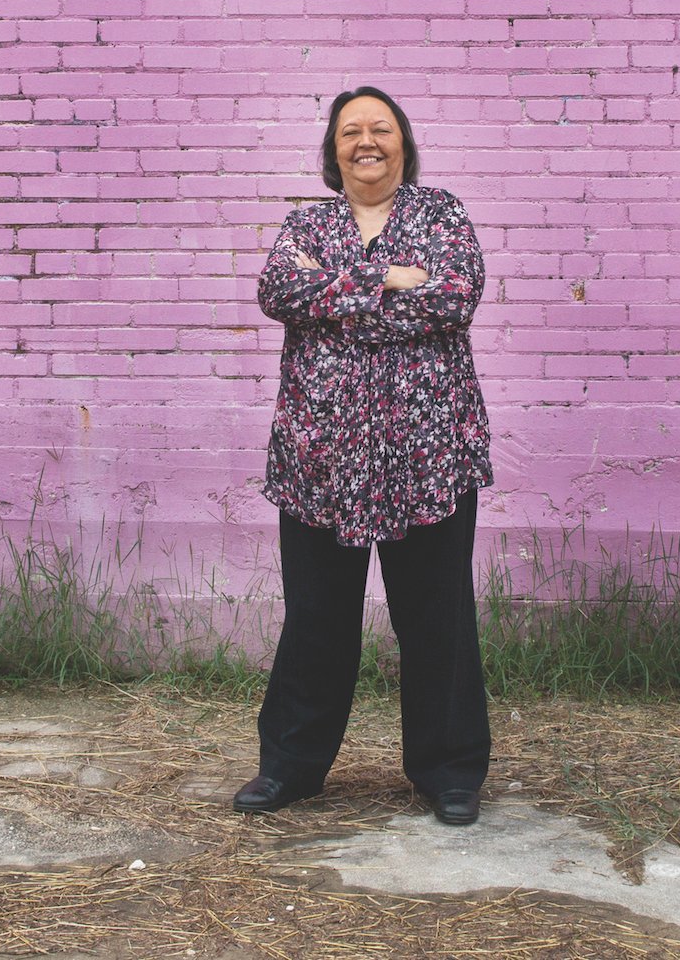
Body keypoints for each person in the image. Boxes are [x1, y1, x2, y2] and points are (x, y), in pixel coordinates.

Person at [236, 86, 494, 827]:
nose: (366, 141)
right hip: (319, 455)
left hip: (429, 453)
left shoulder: (440, 214)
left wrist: (337, 297)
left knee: (436, 615)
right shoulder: (305, 223)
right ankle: (290, 767)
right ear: (333, 150)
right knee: (317, 615)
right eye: (351, 131)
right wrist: (382, 277)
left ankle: (449, 772)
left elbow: (454, 297)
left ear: (404, 144)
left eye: (381, 128)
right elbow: (279, 289)